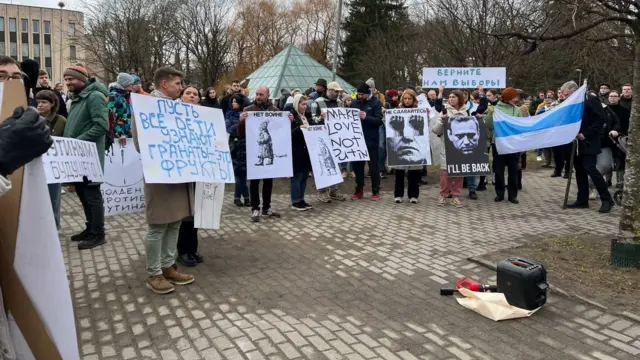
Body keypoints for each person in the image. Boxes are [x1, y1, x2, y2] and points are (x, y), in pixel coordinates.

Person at [132, 67, 196, 293]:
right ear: (164, 84)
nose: (181, 87)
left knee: (176, 221)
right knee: (158, 225)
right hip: (159, 173)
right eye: (178, 83)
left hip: (180, 172)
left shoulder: (180, 108)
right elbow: (141, 144)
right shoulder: (144, 107)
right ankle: (154, 273)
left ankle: (169, 266)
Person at [63, 65, 109, 250]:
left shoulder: (94, 97)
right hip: (78, 156)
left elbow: (101, 126)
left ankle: (98, 234)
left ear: (82, 79)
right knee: (83, 193)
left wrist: (76, 142)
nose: (68, 82)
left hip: (89, 156)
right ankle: (90, 229)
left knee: (92, 195)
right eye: (66, 79)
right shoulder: (77, 98)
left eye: (71, 79)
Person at [238, 85, 293, 222]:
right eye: (257, 94)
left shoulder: (274, 111)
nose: (258, 96)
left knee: (269, 181)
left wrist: (289, 120)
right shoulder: (248, 110)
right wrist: (241, 121)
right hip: (254, 152)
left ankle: (266, 207)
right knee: (254, 182)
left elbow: (281, 131)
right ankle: (255, 208)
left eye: (261, 94)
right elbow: (240, 133)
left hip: (269, 148)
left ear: (267, 95)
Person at [560, 81, 614, 213]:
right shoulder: (572, 103)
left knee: (590, 169)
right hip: (576, 143)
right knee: (579, 171)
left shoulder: (591, 99)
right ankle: (582, 199)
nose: (564, 96)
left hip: (588, 141)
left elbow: (600, 119)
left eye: (566, 94)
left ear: (574, 91)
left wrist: (587, 134)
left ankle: (607, 199)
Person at [310, 81, 347, 203]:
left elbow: (343, 119)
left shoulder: (340, 103)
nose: (337, 94)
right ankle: (322, 191)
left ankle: (334, 190)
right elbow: (313, 120)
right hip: (322, 138)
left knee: (335, 165)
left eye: (339, 92)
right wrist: (321, 118)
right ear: (329, 90)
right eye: (336, 91)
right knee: (323, 164)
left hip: (336, 138)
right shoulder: (318, 102)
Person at [485, 87, 522, 204]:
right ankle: (499, 194)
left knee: (513, 171)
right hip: (498, 143)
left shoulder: (517, 110)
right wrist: (490, 115)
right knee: (499, 171)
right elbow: (489, 126)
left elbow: (520, 125)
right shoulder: (495, 109)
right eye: (513, 97)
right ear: (507, 98)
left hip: (513, 144)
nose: (516, 99)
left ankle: (512, 195)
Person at [431, 90, 468, 207]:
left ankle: (455, 196)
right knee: (445, 174)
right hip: (447, 148)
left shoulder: (466, 112)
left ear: (460, 99)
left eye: (454, 97)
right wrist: (442, 120)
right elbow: (435, 130)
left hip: (461, 149)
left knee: (458, 174)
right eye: (450, 97)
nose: (451, 99)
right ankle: (443, 195)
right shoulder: (444, 110)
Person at [36, 89, 67, 229]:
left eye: (44, 102)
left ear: (53, 103)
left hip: (54, 164)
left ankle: (54, 227)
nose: (40, 105)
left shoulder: (61, 121)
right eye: (38, 102)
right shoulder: (32, 118)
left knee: (53, 197)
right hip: (36, 163)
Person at [350, 83, 383, 201]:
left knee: (373, 167)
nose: (359, 96)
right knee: (357, 167)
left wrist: (366, 117)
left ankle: (376, 191)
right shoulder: (354, 103)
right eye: (358, 94)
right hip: (357, 140)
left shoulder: (376, 103)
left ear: (367, 93)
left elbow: (379, 121)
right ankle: (359, 189)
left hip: (371, 140)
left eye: (361, 94)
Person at [391, 89, 425, 204]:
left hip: (415, 144)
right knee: (399, 172)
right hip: (400, 144)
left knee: (414, 172)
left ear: (413, 99)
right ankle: (398, 194)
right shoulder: (396, 111)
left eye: (409, 98)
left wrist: (427, 116)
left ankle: (413, 195)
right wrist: (386, 116)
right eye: (405, 98)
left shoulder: (420, 111)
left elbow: (425, 127)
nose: (407, 101)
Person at [226, 94, 250, 207]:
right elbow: (230, 129)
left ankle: (245, 197)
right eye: (232, 101)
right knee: (238, 175)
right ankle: (239, 197)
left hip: (245, 147)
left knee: (244, 175)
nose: (233, 103)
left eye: (235, 101)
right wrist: (239, 123)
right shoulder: (229, 115)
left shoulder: (246, 114)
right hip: (235, 148)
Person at [290, 93, 313, 211]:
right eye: (303, 104)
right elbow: (288, 134)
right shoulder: (291, 117)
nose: (305, 107)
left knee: (304, 176)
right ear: (296, 104)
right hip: (296, 150)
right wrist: (299, 129)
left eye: (306, 104)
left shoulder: (305, 117)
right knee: (297, 176)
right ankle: (295, 201)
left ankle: (301, 199)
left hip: (305, 150)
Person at [607, 90, 630, 188]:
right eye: (611, 96)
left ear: (619, 98)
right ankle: (607, 180)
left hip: (620, 138)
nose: (612, 98)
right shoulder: (604, 109)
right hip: (606, 138)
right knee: (608, 160)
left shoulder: (624, 111)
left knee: (620, 160)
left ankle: (620, 181)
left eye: (615, 96)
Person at [107, 73, 135, 144]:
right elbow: (109, 117)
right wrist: (120, 133)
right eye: (130, 84)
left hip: (126, 135)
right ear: (125, 84)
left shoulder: (124, 96)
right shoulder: (113, 96)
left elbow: (123, 117)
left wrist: (129, 129)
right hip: (117, 137)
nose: (132, 86)